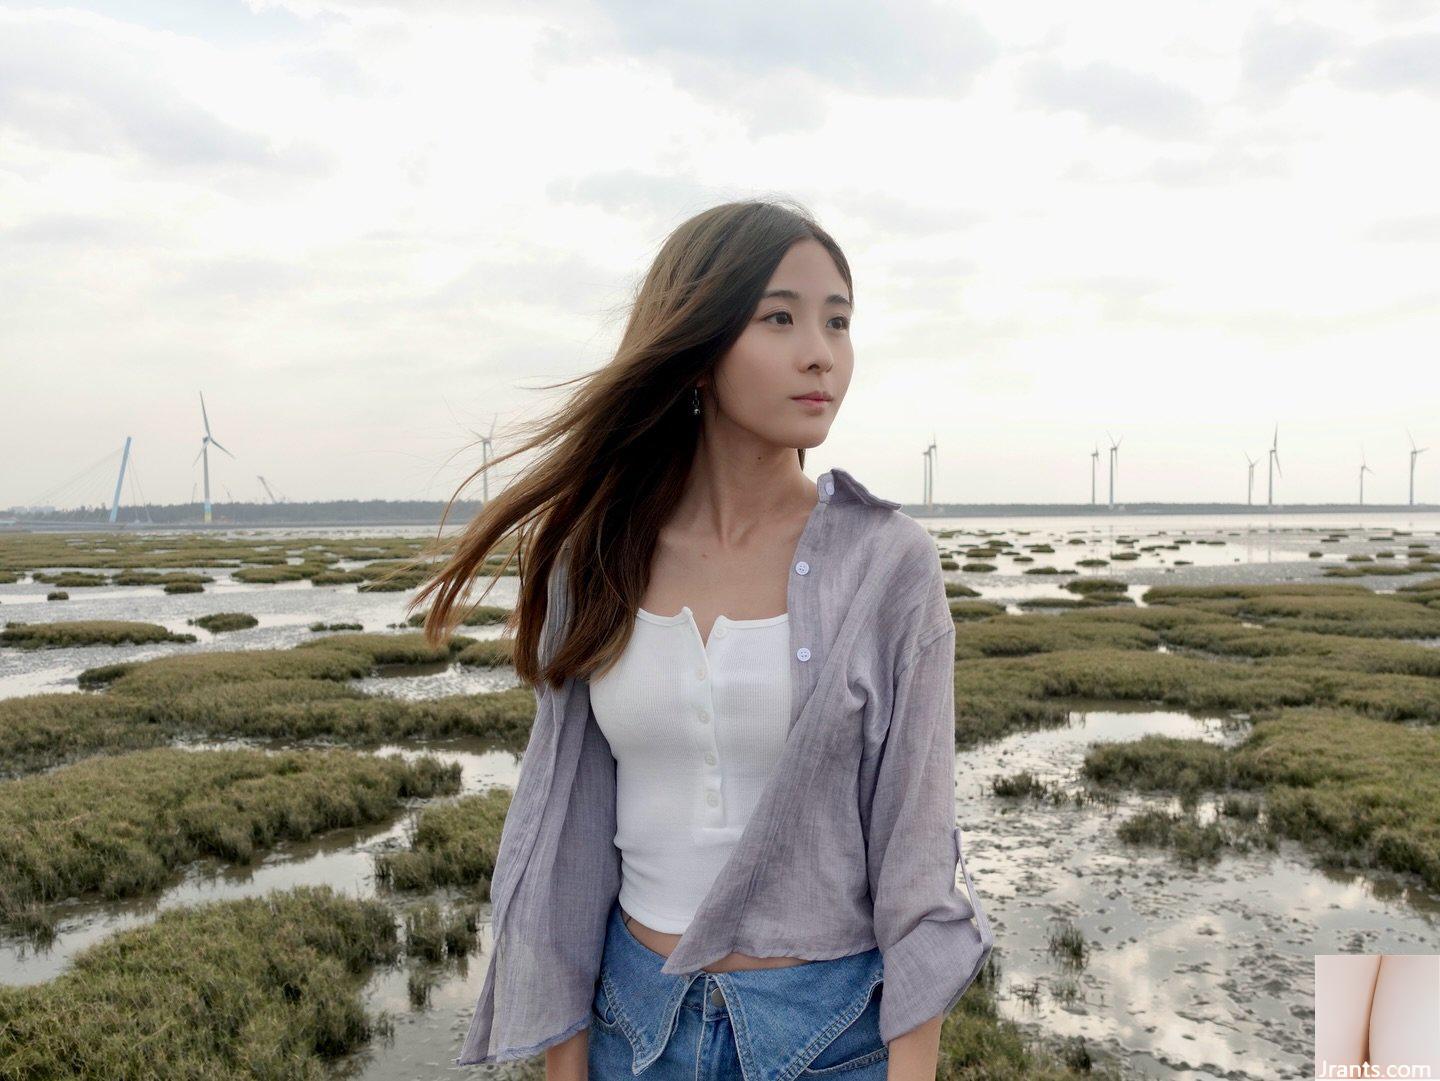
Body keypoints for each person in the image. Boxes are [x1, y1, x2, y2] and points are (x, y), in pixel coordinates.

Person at [413, 199, 993, 1079]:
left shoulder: (889, 564)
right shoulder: (598, 556)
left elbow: (918, 869)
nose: (820, 352)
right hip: (629, 1030)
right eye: (780, 317)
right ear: (697, 347)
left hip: (829, 1040)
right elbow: (565, 846)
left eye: (838, 321)